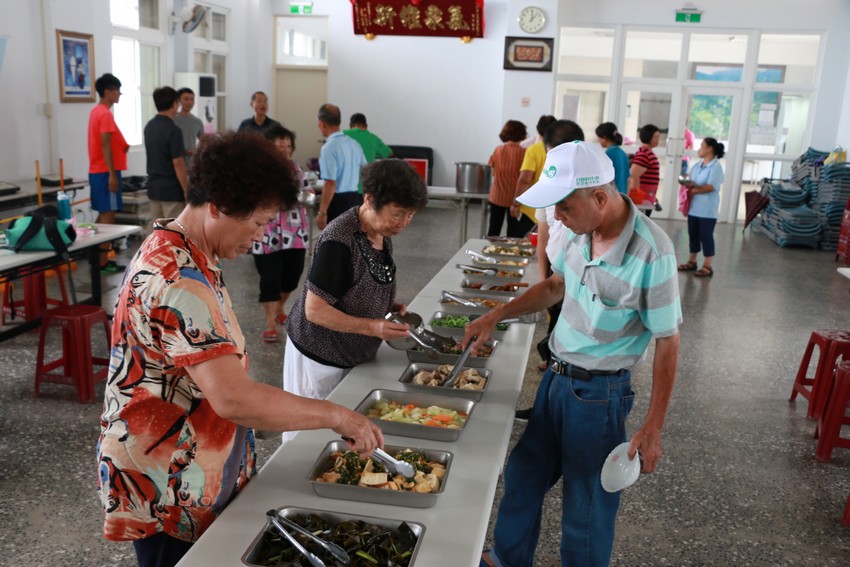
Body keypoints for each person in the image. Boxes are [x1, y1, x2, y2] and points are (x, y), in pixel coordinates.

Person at [97, 131, 383, 567]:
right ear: (217, 206)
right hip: (165, 481)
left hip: (183, 459)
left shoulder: (186, 249)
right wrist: (335, 414)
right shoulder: (179, 278)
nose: (261, 236)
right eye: (257, 222)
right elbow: (232, 398)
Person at [469, 141, 681, 567]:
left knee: (586, 507)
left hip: (599, 395)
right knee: (525, 475)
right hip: (556, 381)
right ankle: (507, 559)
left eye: (562, 209)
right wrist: (497, 314)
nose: (556, 219)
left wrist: (654, 425)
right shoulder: (578, 233)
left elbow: (668, 341)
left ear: (599, 197)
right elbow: (555, 286)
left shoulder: (651, 252)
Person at [282, 159, 429, 442]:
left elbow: (358, 284)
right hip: (320, 357)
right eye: (399, 214)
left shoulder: (380, 231)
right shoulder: (340, 241)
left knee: (343, 432)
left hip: (352, 353)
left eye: (410, 215)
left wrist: (388, 305)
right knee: (310, 439)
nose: (404, 223)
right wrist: (374, 327)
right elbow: (315, 311)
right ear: (370, 200)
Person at [253, 124, 311, 343]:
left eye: (288, 145)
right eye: (280, 145)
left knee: (292, 279)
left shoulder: (296, 169)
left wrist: (309, 197)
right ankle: (269, 322)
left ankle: (279, 307)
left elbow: (306, 192)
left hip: (295, 234)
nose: (286, 149)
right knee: (269, 280)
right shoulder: (259, 171)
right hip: (267, 235)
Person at [87, 72, 129, 272]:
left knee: (103, 216)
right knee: (108, 218)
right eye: (117, 90)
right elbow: (105, 145)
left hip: (99, 171)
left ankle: (95, 256)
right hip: (105, 172)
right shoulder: (104, 113)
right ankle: (102, 263)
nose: (119, 94)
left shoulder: (97, 112)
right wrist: (112, 175)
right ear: (108, 92)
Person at [677, 137, 725, 278]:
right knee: (693, 235)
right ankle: (692, 261)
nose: (699, 149)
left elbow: (711, 186)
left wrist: (694, 190)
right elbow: (691, 182)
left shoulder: (716, 167)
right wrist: (687, 185)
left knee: (706, 236)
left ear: (710, 149)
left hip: (707, 210)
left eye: (702, 146)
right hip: (694, 208)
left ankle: (707, 265)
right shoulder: (697, 166)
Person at [315, 103, 368, 230]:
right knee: (352, 240)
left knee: (335, 241)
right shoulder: (354, 144)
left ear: (322, 123)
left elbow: (330, 183)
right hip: (355, 199)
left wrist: (322, 212)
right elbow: (366, 170)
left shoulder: (329, 147)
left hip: (338, 202)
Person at [144, 87, 189, 221]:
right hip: (172, 190)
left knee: (157, 233)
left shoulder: (149, 126)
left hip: (153, 188)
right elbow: (178, 163)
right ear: (174, 104)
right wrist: (186, 189)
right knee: (173, 233)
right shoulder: (173, 130)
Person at [513, 115, 556, 236]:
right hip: (551, 209)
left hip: (530, 209)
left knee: (524, 245)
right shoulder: (559, 149)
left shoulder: (533, 150)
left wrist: (516, 203)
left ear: (538, 131)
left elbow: (525, 180)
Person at [487, 120, 528, 237]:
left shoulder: (498, 150)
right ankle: (511, 253)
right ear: (522, 134)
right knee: (514, 232)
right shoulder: (525, 152)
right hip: (515, 199)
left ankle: (491, 251)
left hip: (497, 196)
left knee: (494, 229)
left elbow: (493, 172)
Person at [629, 123, 661, 216]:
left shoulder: (647, 153)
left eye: (658, 137)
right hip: (642, 200)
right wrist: (636, 198)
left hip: (647, 198)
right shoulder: (644, 154)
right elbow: (634, 175)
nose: (658, 140)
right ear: (648, 136)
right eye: (655, 137)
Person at [595, 122, 630, 194]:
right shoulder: (622, 153)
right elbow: (628, 178)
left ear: (604, 138)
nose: (598, 141)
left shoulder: (608, 154)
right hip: (623, 195)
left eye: (599, 138)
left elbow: (603, 179)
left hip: (612, 195)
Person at [174, 87, 204, 165]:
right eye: (186, 99)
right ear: (178, 101)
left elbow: (204, 143)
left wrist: (196, 151)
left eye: (192, 99)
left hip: (191, 164)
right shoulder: (172, 119)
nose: (189, 102)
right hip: (174, 163)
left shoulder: (198, 121)